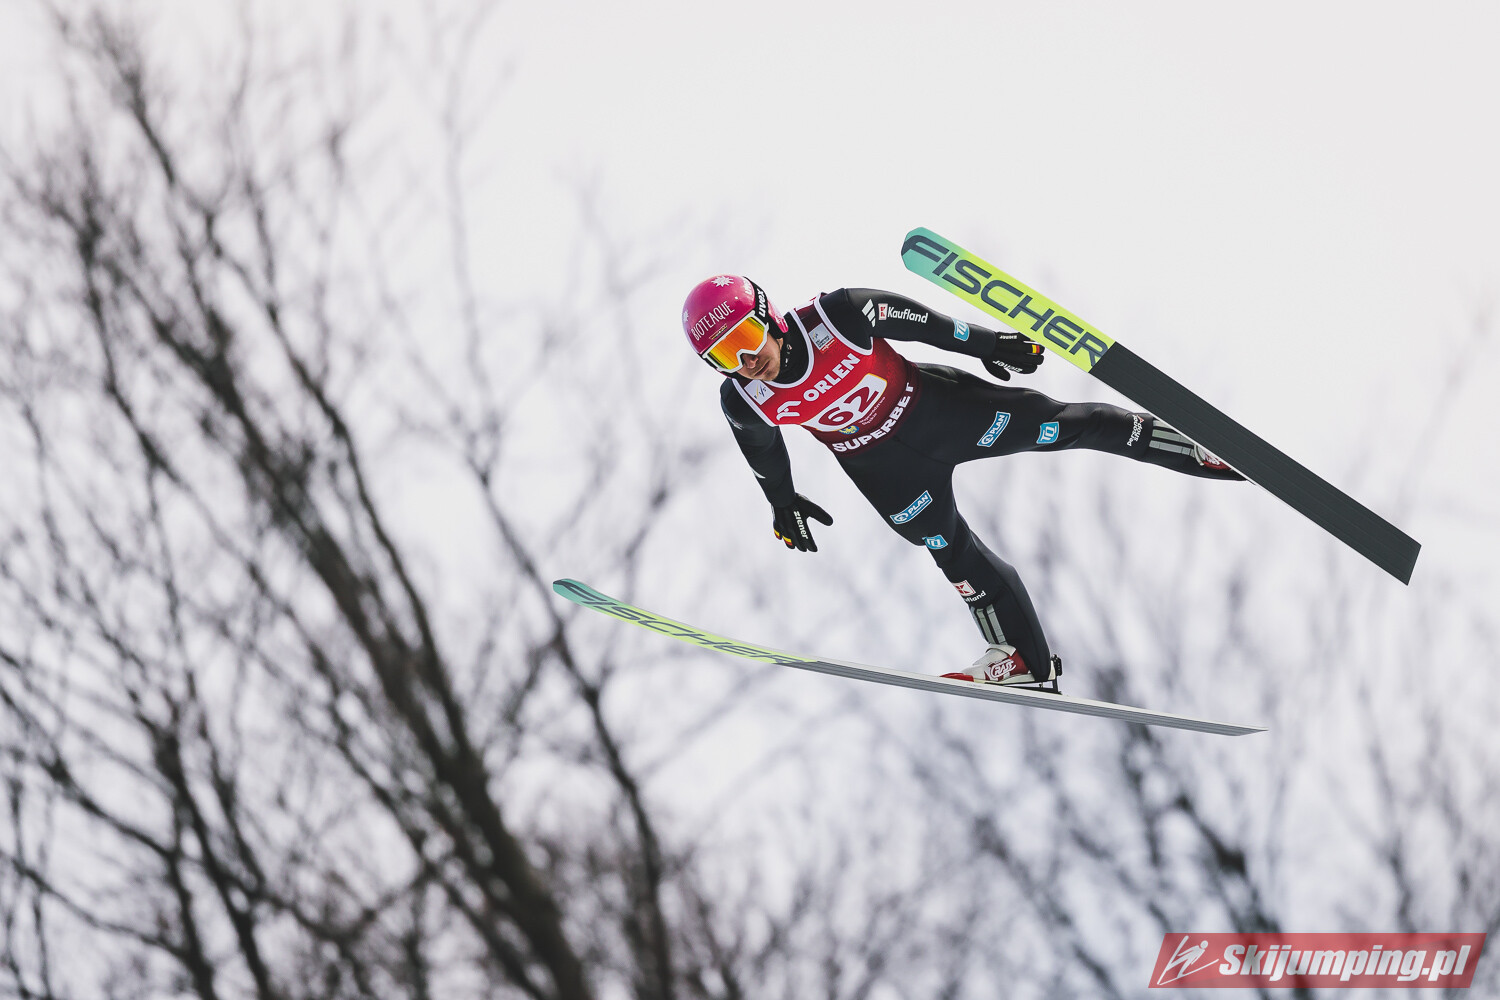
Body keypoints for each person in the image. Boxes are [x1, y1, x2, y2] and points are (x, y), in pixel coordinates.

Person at [682, 275, 1240, 686]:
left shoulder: (838, 316)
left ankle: (1202, 450)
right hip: (887, 472)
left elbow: (924, 324)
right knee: (950, 551)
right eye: (726, 354)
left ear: (768, 316)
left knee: (1072, 425)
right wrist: (781, 503)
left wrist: (990, 345)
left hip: (945, 414)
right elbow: (763, 451)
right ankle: (1024, 661)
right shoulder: (744, 399)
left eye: (746, 337)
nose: (746, 359)